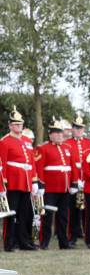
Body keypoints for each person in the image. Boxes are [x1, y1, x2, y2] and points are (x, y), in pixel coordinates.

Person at [35, 117, 78, 250]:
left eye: (60, 132)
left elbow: (73, 167)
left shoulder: (68, 148)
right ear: (50, 134)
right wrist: (41, 184)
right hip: (50, 188)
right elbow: (39, 168)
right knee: (47, 217)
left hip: (65, 188)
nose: (60, 135)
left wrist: (74, 183)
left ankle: (63, 243)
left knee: (63, 217)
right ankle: (44, 242)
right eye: (56, 132)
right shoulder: (43, 148)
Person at [0, 107, 39, 251]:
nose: (18, 126)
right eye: (15, 124)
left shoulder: (28, 140)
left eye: (20, 124)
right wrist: (2, 187)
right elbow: (1, 165)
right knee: (11, 214)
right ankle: (9, 243)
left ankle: (24, 242)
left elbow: (32, 163)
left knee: (24, 213)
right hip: (12, 182)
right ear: (10, 125)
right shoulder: (4, 141)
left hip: (27, 181)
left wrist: (34, 181)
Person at [65, 113, 90, 246]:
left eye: (80, 128)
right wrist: (74, 181)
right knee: (73, 211)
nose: (78, 130)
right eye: (76, 127)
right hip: (74, 182)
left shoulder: (89, 143)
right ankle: (72, 237)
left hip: (88, 181)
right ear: (72, 129)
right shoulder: (66, 143)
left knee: (88, 210)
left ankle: (89, 236)